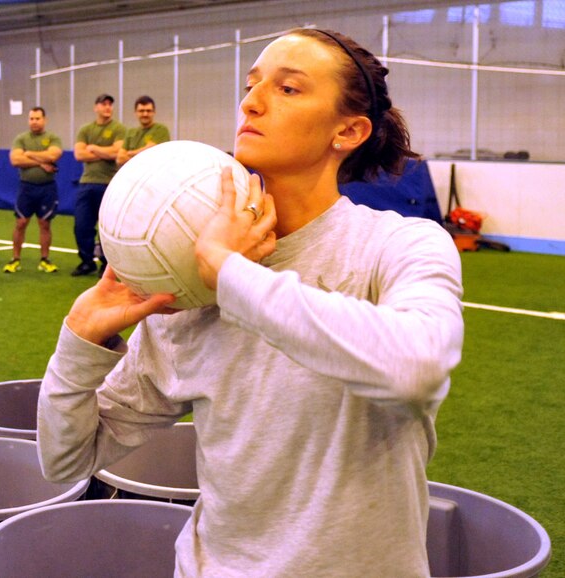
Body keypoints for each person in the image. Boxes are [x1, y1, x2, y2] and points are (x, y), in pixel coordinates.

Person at [37, 28, 464, 577]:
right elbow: (65, 460)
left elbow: (416, 368)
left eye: (288, 89)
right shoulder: (187, 283)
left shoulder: (398, 245)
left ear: (350, 130)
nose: (251, 101)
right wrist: (79, 341)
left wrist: (232, 276)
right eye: (250, 84)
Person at [71, 93, 126, 277]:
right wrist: (105, 152)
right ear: (96, 107)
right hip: (86, 184)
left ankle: (106, 264)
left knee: (106, 228)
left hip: (109, 185)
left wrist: (93, 148)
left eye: (110, 104)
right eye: (103, 104)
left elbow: (116, 152)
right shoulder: (86, 129)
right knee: (82, 225)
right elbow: (79, 155)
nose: (107, 107)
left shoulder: (118, 128)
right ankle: (87, 262)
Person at [4, 106, 63, 274]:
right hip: (26, 188)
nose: (34, 121)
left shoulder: (52, 138)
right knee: (21, 223)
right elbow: (15, 160)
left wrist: (28, 154)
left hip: (47, 188)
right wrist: (40, 162)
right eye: (31, 118)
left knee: (44, 224)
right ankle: (15, 259)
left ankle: (45, 259)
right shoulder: (21, 138)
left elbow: (53, 156)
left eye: (37, 118)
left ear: (44, 120)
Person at [116, 95, 171, 167]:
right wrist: (143, 150)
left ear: (154, 112)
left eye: (148, 111)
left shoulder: (161, 130)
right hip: (133, 177)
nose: (145, 114)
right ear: (135, 113)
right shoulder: (130, 132)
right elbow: (120, 159)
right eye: (141, 111)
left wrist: (130, 153)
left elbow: (153, 153)